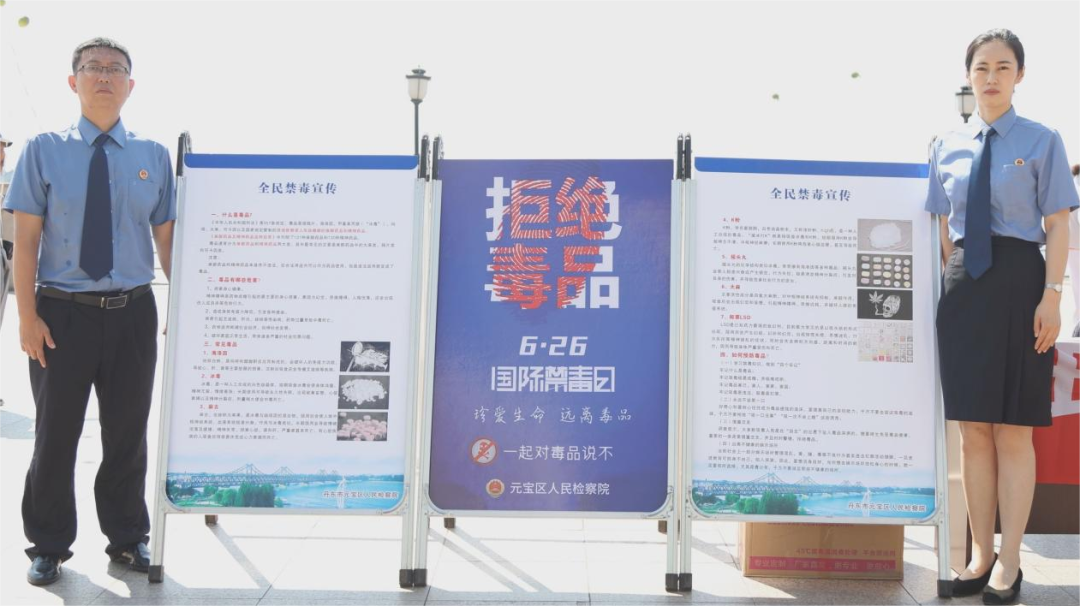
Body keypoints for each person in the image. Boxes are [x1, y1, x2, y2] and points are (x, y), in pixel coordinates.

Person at [2, 37, 175, 587]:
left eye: (115, 69)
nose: (104, 76)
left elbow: (167, 241)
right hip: (62, 314)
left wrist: (189, 306)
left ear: (131, 85)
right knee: (55, 434)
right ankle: (48, 544)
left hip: (133, 313)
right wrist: (26, 317)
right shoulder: (42, 150)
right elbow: (26, 242)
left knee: (128, 432)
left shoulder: (153, 156)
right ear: (73, 81)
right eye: (93, 67)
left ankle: (127, 537)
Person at [926, 29, 1080, 605]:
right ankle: (979, 554)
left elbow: (1058, 223)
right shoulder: (945, 145)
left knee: (1013, 429)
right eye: (982, 67)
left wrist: (1051, 296)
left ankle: (1010, 561)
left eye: (1003, 67)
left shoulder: (1043, 140)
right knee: (973, 431)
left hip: (1022, 284)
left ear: (1020, 75)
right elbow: (943, 226)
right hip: (965, 287)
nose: (991, 77)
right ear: (968, 75)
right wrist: (956, 278)